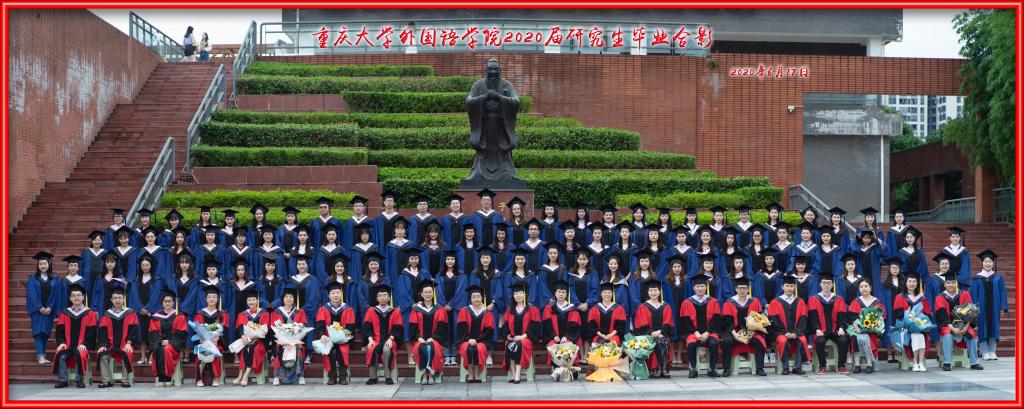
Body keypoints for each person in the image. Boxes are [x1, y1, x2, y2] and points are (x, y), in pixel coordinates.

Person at [933, 272, 983, 371]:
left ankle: (974, 362)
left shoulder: (964, 294)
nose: (950, 285)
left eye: (953, 282)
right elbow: (941, 316)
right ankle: (947, 362)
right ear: (944, 284)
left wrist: (966, 326)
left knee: (972, 336)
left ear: (956, 283)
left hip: (964, 324)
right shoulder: (940, 297)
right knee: (947, 335)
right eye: (948, 283)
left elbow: (970, 312)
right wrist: (952, 328)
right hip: (948, 325)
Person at [51, 284, 97, 389]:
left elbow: (92, 332)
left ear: (83, 297)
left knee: (80, 354)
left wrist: (85, 344)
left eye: (79, 295)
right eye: (74, 296)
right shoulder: (64, 313)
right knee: (60, 355)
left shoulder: (90, 313)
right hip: (68, 345)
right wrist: (61, 342)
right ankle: (62, 380)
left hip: (82, 345)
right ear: (70, 298)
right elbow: (59, 331)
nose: (76, 297)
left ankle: (79, 379)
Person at [720, 276, 767, 376]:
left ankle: (759, 368)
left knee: (759, 341)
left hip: (751, 332)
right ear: (736, 289)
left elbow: (759, 320)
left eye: (744, 288)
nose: (742, 290)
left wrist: (752, 333)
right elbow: (727, 321)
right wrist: (735, 334)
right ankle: (726, 368)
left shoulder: (754, 301)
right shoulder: (729, 302)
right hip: (734, 332)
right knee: (727, 341)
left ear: (748, 289)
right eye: (740, 288)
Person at [315, 282, 357, 385]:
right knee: (331, 351)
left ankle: (343, 376)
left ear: (341, 294)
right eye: (333, 293)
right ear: (329, 296)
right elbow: (319, 325)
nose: (335, 295)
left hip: (343, 340)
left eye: (338, 292)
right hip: (328, 339)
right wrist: (322, 335)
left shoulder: (348, 309)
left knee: (342, 351)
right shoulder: (323, 309)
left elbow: (351, 326)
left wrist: (344, 337)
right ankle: (332, 376)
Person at [96, 287, 139, 388]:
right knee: (102, 354)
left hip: (124, 344)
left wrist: (129, 343)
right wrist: (103, 345)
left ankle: (125, 380)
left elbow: (133, 330)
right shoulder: (106, 314)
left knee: (128, 352)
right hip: (110, 345)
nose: (117, 300)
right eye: (115, 298)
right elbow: (102, 331)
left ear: (123, 299)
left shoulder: (130, 313)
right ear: (111, 300)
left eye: (119, 298)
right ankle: (106, 380)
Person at [969, 250, 1008, 361]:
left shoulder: (998, 278)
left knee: (994, 328)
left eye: (990, 261)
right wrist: (974, 308)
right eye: (986, 261)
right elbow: (974, 294)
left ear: (993, 263)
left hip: (995, 307)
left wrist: (1002, 306)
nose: (988, 264)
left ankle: (992, 351)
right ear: (982, 263)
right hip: (981, 307)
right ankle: (984, 352)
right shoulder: (977, 278)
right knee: (982, 327)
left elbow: (1002, 293)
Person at [767, 275, 810, 375]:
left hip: (797, 332)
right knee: (783, 341)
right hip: (781, 333)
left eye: (791, 286)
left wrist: (796, 333)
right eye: (787, 286)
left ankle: (797, 367)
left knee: (802, 340)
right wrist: (785, 332)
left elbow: (803, 320)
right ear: (782, 287)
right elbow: (773, 321)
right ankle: (785, 367)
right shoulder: (775, 302)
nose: (789, 288)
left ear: (795, 287)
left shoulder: (800, 302)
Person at [807, 275, 850, 374]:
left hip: (835, 330)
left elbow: (842, 315)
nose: (826, 285)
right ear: (820, 284)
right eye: (824, 283)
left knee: (843, 340)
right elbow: (812, 317)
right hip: (821, 331)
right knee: (820, 341)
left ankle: (841, 365)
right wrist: (817, 329)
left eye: (829, 283)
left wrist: (841, 328)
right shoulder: (814, 299)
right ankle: (822, 366)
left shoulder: (838, 299)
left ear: (832, 285)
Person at [362, 283, 403, 385]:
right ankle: (372, 377)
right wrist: (370, 340)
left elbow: (397, 328)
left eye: (385, 295)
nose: (382, 298)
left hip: (390, 340)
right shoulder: (371, 311)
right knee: (372, 349)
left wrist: (391, 339)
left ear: (389, 298)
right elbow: (367, 327)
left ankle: (388, 376)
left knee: (386, 349)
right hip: (375, 339)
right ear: (377, 298)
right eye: (380, 295)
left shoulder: (395, 312)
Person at [408, 280, 448, 385]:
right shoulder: (416, 309)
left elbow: (442, 327)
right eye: (425, 292)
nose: (428, 294)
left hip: (435, 339)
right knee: (421, 347)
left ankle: (430, 374)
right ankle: (426, 374)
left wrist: (433, 338)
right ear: (421, 294)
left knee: (431, 347)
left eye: (430, 292)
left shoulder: (440, 309)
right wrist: (418, 338)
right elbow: (413, 327)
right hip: (420, 339)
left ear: (433, 293)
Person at [678, 276, 719, 378]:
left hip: (709, 332)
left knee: (714, 343)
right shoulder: (687, 302)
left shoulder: (713, 301)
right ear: (694, 288)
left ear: (706, 287)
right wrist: (695, 332)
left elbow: (716, 319)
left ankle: (712, 369)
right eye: (697, 286)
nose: (700, 288)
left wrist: (707, 332)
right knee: (691, 344)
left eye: (702, 286)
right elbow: (685, 321)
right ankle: (693, 369)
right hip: (693, 333)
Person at [501, 282, 541, 384]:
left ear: (525, 294)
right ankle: (513, 373)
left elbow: (534, 326)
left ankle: (518, 372)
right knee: (509, 344)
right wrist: (508, 336)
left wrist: (523, 336)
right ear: (513, 296)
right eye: (515, 294)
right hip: (514, 338)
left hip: (526, 338)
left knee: (519, 344)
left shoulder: (532, 309)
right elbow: (505, 325)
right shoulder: (510, 310)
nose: (518, 295)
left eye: (520, 293)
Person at [634, 279, 674, 378]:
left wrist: (660, 332)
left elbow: (668, 322)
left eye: (656, 290)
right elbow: (642, 323)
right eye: (651, 290)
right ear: (648, 292)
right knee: (656, 341)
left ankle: (663, 368)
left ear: (660, 291)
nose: (653, 293)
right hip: (648, 334)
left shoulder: (666, 306)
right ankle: (655, 368)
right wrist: (651, 333)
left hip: (662, 333)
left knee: (663, 341)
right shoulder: (643, 306)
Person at [269, 288, 309, 385]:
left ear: (294, 299)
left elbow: (303, 327)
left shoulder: (300, 311)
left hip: (296, 340)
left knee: (299, 350)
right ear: (283, 299)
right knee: (279, 350)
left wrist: (297, 340)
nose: (289, 299)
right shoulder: (277, 312)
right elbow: (274, 328)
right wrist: (282, 340)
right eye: (286, 297)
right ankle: (277, 376)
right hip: (281, 341)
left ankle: (301, 376)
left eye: (291, 297)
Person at [457, 285, 496, 383]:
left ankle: (477, 373)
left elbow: (488, 331)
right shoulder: (464, 311)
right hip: (466, 340)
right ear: (470, 299)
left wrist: (477, 340)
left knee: (479, 348)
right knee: (468, 348)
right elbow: (461, 329)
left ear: (482, 298)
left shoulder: (488, 313)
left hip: (482, 341)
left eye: (478, 296)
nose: (476, 299)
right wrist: (469, 339)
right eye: (473, 297)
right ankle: (470, 374)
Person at [149, 290, 188, 387]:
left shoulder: (179, 316)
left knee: (167, 349)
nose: (167, 303)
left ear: (173, 303)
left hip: (174, 344)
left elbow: (181, 333)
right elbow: (153, 332)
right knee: (158, 348)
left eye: (169, 301)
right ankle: (160, 377)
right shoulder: (156, 317)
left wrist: (169, 341)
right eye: (165, 301)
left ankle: (168, 376)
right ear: (162, 303)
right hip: (159, 342)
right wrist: (160, 341)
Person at [233, 289, 271, 386]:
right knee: (244, 349)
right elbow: (241, 328)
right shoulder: (243, 313)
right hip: (247, 340)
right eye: (249, 300)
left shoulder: (264, 313)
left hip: (261, 341)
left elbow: (264, 329)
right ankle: (240, 374)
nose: (251, 302)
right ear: (247, 302)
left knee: (254, 349)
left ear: (257, 301)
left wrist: (256, 337)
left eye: (253, 300)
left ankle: (245, 375)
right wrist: (243, 336)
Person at [893, 272, 930, 372]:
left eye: (914, 281)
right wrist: (907, 324)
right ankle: (915, 362)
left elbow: (927, 315)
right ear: (905, 283)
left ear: (917, 284)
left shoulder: (922, 298)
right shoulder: (900, 297)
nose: (912, 283)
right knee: (914, 336)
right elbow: (897, 315)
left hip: (920, 328)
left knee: (920, 336)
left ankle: (920, 363)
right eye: (909, 281)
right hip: (904, 328)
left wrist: (922, 324)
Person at [542, 280, 582, 369]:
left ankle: (570, 370)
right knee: (552, 346)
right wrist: (553, 336)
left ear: (566, 294)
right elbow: (547, 325)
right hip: (553, 338)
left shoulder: (572, 309)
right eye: (559, 292)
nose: (561, 294)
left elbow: (574, 326)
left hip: (568, 338)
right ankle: (556, 369)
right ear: (555, 293)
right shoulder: (549, 308)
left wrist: (567, 336)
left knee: (568, 345)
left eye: (563, 292)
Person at [193, 285, 228, 387]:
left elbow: (223, 329)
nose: (212, 299)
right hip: (203, 341)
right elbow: (197, 329)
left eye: (214, 297)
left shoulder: (222, 314)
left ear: (218, 299)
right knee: (203, 351)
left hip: (217, 342)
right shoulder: (200, 313)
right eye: (209, 297)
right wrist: (202, 340)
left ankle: (216, 378)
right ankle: (199, 378)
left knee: (215, 350)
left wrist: (217, 338)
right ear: (205, 299)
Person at [27, 251, 58, 364]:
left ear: (49, 264)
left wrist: (50, 307)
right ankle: (40, 356)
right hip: (37, 311)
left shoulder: (54, 279)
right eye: (41, 264)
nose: (43, 266)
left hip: (48, 311)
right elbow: (32, 295)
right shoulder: (32, 279)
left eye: (45, 263)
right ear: (38, 265)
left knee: (45, 332)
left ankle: (42, 355)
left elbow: (56, 295)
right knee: (38, 332)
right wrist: (39, 307)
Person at [848, 280, 884, 373]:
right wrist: (857, 327)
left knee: (869, 336)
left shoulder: (877, 302)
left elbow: (881, 317)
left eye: (866, 286)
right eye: (861, 287)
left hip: (872, 329)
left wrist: (874, 326)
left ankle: (869, 363)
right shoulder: (856, 301)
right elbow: (852, 317)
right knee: (855, 337)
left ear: (870, 288)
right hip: (857, 328)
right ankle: (857, 364)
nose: (864, 288)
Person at [586, 282, 627, 352]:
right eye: (604, 292)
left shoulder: (618, 308)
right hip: (598, 335)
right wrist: (602, 335)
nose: (607, 294)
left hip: (613, 335)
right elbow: (592, 326)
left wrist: (610, 335)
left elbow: (620, 326)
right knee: (596, 345)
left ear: (612, 294)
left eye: (609, 292)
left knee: (613, 344)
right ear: (601, 294)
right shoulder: (594, 309)